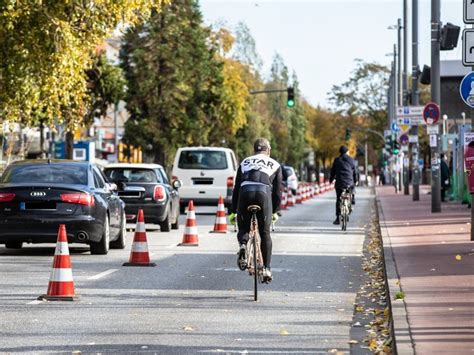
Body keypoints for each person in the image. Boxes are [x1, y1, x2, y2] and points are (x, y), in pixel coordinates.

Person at [229, 138, 282, 283]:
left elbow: (236, 189)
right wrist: (275, 211)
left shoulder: (245, 162)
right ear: (268, 150)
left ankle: (243, 246)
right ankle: (266, 268)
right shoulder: (275, 164)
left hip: (245, 192)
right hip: (263, 193)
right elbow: (277, 192)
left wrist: (234, 211)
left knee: (244, 227)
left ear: (254, 150)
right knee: (264, 233)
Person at [329, 145, 357, 225]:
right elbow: (355, 172)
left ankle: (337, 218)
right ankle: (352, 200)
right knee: (351, 189)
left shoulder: (337, 160)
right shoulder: (351, 160)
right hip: (349, 182)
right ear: (347, 152)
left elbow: (333, 171)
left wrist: (331, 180)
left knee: (338, 199)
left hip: (339, 183)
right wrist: (356, 181)